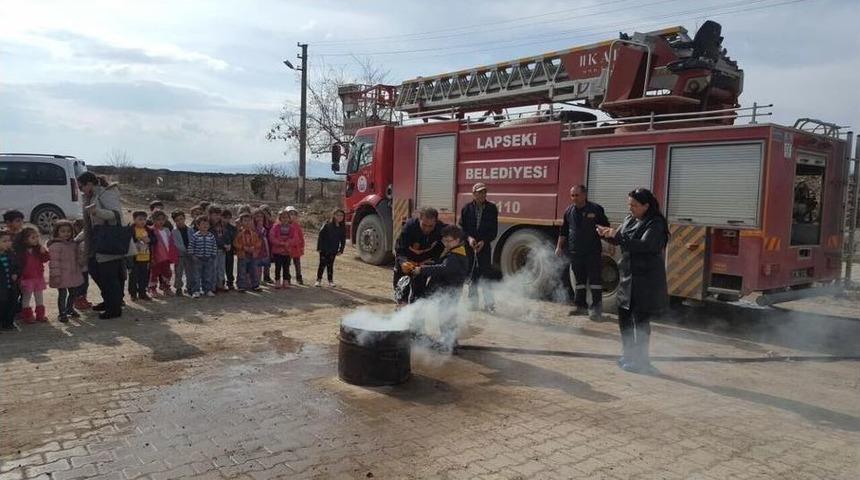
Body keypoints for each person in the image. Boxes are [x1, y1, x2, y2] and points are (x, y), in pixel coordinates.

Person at [597, 187, 669, 374]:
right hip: (628, 276)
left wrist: (617, 237)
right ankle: (628, 355)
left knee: (641, 321)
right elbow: (620, 239)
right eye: (629, 205)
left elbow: (646, 245)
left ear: (646, 205)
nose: (631, 208)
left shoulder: (655, 223)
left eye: (635, 205)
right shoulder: (630, 219)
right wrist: (607, 234)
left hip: (646, 279)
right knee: (624, 318)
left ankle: (642, 361)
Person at [409, 224, 470, 350]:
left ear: (457, 240)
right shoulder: (455, 251)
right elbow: (443, 265)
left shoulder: (455, 255)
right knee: (447, 317)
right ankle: (450, 343)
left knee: (446, 318)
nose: (446, 243)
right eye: (444, 240)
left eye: (449, 241)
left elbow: (444, 268)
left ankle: (448, 345)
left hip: (449, 291)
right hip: (448, 290)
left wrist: (422, 269)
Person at [78, 172, 129, 319]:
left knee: (109, 276)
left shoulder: (106, 194)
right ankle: (110, 302)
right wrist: (77, 239)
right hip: (98, 240)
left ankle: (114, 308)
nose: (81, 189)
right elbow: (88, 225)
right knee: (97, 272)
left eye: (82, 186)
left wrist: (97, 212)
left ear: (89, 183)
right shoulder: (90, 196)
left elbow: (115, 215)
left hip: (109, 240)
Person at [556, 184, 610, 320]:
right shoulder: (569, 211)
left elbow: (605, 227)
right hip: (575, 252)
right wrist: (559, 247)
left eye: (577, 195)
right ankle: (581, 307)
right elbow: (563, 231)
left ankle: (596, 310)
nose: (574, 198)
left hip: (592, 252)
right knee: (579, 281)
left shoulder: (596, 209)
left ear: (585, 195)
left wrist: (609, 243)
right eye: (572, 195)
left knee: (595, 281)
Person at [459, 183, 498, 312]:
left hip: (484, 247)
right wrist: (469, 238)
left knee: (486, 274)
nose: (482, 195)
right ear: (473, 194)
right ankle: (473, 302)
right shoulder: (466, 209)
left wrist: (484, 241)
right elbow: (461, 229)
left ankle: (489, 304)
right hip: (470, 247)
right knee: (472, 274)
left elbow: (494, 231)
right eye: (479, 192)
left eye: (484, 192)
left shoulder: (492, 208)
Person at [393, 207, 445, 303]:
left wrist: (433, 260)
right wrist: (403, 262)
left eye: (431, 226)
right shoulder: (409, 227)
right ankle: (400, 311)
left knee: (418, 295)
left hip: (422, 265)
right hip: (407, 262)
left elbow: (441, 247)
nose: (427, 229)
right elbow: (400, 249)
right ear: (419, 219)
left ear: (436, 222)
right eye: (424, 225)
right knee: (401, 293)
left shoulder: (441, 229)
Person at [48, 220, 84, 323]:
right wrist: (56, 275)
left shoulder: (73, 244)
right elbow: (54, 263)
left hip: (72, 274)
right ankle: (62, 313)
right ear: (57, 232)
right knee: (62, 294)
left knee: (73, 293)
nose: (66, 233)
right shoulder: (55, 246)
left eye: (68, 231)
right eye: (63, 231)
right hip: (61, 275)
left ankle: (69, 308)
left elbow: (77, 257)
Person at [15, 226, 49, 323]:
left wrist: (44, 252)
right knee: (26, 297)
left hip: (38, 277)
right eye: (33, 237)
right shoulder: (20, 252)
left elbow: (46, 259)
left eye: (37, 237)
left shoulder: (38, 250)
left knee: (39, 297)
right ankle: (27, 316)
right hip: (26, 278)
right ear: (25, 239)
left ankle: (40, 315)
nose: (36, 239)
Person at [315, 209, 347, 287]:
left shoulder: (342, 227)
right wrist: (319, 247)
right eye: (337, 215)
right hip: (324, 248)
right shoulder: (327, 225)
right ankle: (318, 280)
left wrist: (341, 250)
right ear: (334, 215)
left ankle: (330, 281)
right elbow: (321, 236)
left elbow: (343, 240)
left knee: (330, 265)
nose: (339, 217)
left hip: (333, 249)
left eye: (341, 215)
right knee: (322, 264)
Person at [148, 211, 176, 296]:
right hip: (156, 255)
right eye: (158, 219)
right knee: (154, 273)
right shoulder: (151, 230)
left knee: (167, 272)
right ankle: (153, 289)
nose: (160, 221)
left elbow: (171, 242)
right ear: (153, 220)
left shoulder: (167, 230)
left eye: (162, 219)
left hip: (166, 256)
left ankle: (166, 287)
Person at [188, 216, 217, 298]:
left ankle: (207, 290)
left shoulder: (211, 236)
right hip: (197, 260)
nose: (205, 226)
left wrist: (213, 256)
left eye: (207, 224)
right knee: (196, 276)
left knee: (207, 276)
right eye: (203, 224)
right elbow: (191, 247)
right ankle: (196, 291)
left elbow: (214, 246)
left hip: (208, 259)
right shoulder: (195, 236)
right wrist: (193, 256)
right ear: (198, 225)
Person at [233, 213, 263, 292]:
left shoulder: (254, 233)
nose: (247, 223)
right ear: (241, 222)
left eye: (249, 221)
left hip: (252, 255)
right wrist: (243, 247)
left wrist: (254, 247)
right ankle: (241, 285)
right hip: (242, 254)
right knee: (241, 271)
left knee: (253, 270)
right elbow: (235, 243)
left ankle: (255, 285)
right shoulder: (239, 234)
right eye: (245, 221)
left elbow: (259, 242)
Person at [128, 211, 154, 301]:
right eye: (140, 219)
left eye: (144, 219)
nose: (142, 221)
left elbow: (155, 240)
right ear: (134, 220)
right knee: (133, 277)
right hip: (134, 258)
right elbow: (127, 240)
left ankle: (142, 293)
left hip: (145, 257)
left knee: (144, 276)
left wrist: (149, 240)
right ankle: (133, 294)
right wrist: (137, 240)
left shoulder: (148, 230)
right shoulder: (131, 229)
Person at [72, 219, 93, 311]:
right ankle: (78, 301)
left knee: (85, 284)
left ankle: (82, 299)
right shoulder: (79, 241)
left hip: (84, 267)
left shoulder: (80, 240)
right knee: (81, 285)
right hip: (80, 267)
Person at [0, 230, 19, 331]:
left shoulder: (11, 254)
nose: (8, 243)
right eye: (4, 241)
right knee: (2, 305)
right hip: (1, 287)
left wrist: (16, 273)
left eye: (9, 240)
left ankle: (9, 323)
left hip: (11, 285)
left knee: (12, 303)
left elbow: (17, 266)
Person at [268, 209, 292, 289]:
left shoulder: (291, 228)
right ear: (280, 218)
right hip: (277, 251)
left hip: (287, 251)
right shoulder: (275, 227)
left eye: (286, 217)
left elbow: (295, 238)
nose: (285, 219)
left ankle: (286, 280)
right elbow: (272, 238)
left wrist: (288, 243)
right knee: (278, 267)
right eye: (283, 217)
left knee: (286, 267)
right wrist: (280, 243)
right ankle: (277, 280)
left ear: (289, 218)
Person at [171, 210, 191, 296]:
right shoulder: (174, 232)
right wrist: (185, 250)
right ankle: (178, 288)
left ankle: (189, 287)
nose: (180, 221)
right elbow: (176, 244)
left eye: (181, 219)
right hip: (180, 255)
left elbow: (193, 240)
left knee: (189, 272)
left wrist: (191, 250)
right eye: (177, 220)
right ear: (174, 221)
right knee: (178, 272)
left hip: (190, 255)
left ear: (184, 218)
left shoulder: (190, 230)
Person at [284, 206, 305, 286]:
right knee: (287, 264)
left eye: (294, 214)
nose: (292, 216)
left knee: (297, 264)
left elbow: (301, 236)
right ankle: (287, 278)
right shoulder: (283, 225)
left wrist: (302, 246)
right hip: (287, 248)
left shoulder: (297, 226)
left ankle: (299, 277)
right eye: (290, 214)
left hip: (296, 248)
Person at [252, 209, 272, 286]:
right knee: (256, 265)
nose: (259, 218)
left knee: (261, 264)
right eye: (257, 216)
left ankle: (259, 280)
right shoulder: (253, 227)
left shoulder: (264, 227)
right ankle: (256, 280)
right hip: (257, 247)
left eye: (261, 216)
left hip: (264, 246)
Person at [222, 209, 237, 290]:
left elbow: (235, 239)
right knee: (221, 268)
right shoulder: (218, 227)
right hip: (221, 250)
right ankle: (221, 282)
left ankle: (230, 282)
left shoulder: (232, 228)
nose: (226, 219)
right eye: (225, 217)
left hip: (230, 251)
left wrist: (233, 247)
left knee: (229, 267)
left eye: (228, 218)